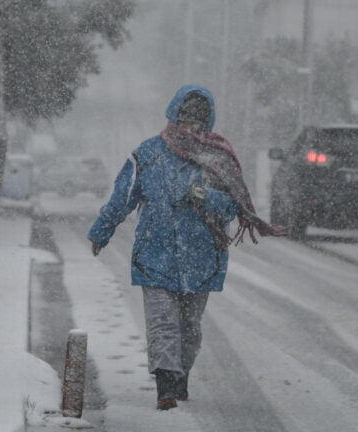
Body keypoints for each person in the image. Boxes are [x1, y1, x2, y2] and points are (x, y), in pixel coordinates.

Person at [87, 85, 287, 410]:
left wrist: (207, 197)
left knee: (189, 330)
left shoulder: (218, 160)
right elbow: (122, 198)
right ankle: (166, 384)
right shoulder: (147, 155)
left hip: (201, 259)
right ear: (174, 116)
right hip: (154, 257)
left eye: (198, 121)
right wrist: (101, 231)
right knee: (162, 323)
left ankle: (180, 377)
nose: (191, 127)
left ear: (207, 123)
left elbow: (232, 207)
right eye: (186, 118)